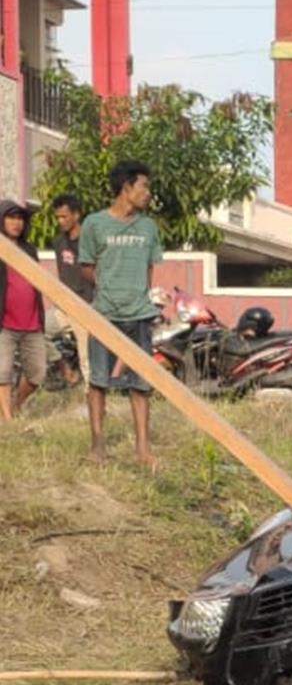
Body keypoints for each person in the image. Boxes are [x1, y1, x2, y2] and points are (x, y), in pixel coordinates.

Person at [81, 160, 165, 467]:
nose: (147, 193)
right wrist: (108, 286)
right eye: (143, 186)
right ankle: (97, 446)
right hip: (103, 314)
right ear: (126, 187)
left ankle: (143, 449)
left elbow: (150, 267)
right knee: (99, 381)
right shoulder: (94, 224)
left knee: (141, 384)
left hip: (139, 315)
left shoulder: (148, 227)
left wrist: (140, 295)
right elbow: (86, 266)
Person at [0, 200, 48, 422]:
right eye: (11, 217)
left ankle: (17, 404)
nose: (17, 223)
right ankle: (8, 420)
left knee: (38, 373)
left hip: (31, 322)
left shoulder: (29, 249)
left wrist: (40, 316)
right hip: (4, 323)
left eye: (20, 218)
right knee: (2, 374)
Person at [51, 194, 94, 384]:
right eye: (57, 217)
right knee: (36, 332)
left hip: (86, 306)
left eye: (64, 216)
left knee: (87, 358)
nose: (60, 221)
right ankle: (66, 369)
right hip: (64, 307)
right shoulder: (59, 242)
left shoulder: (91, 241)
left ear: (76, 215)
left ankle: (91, 398)